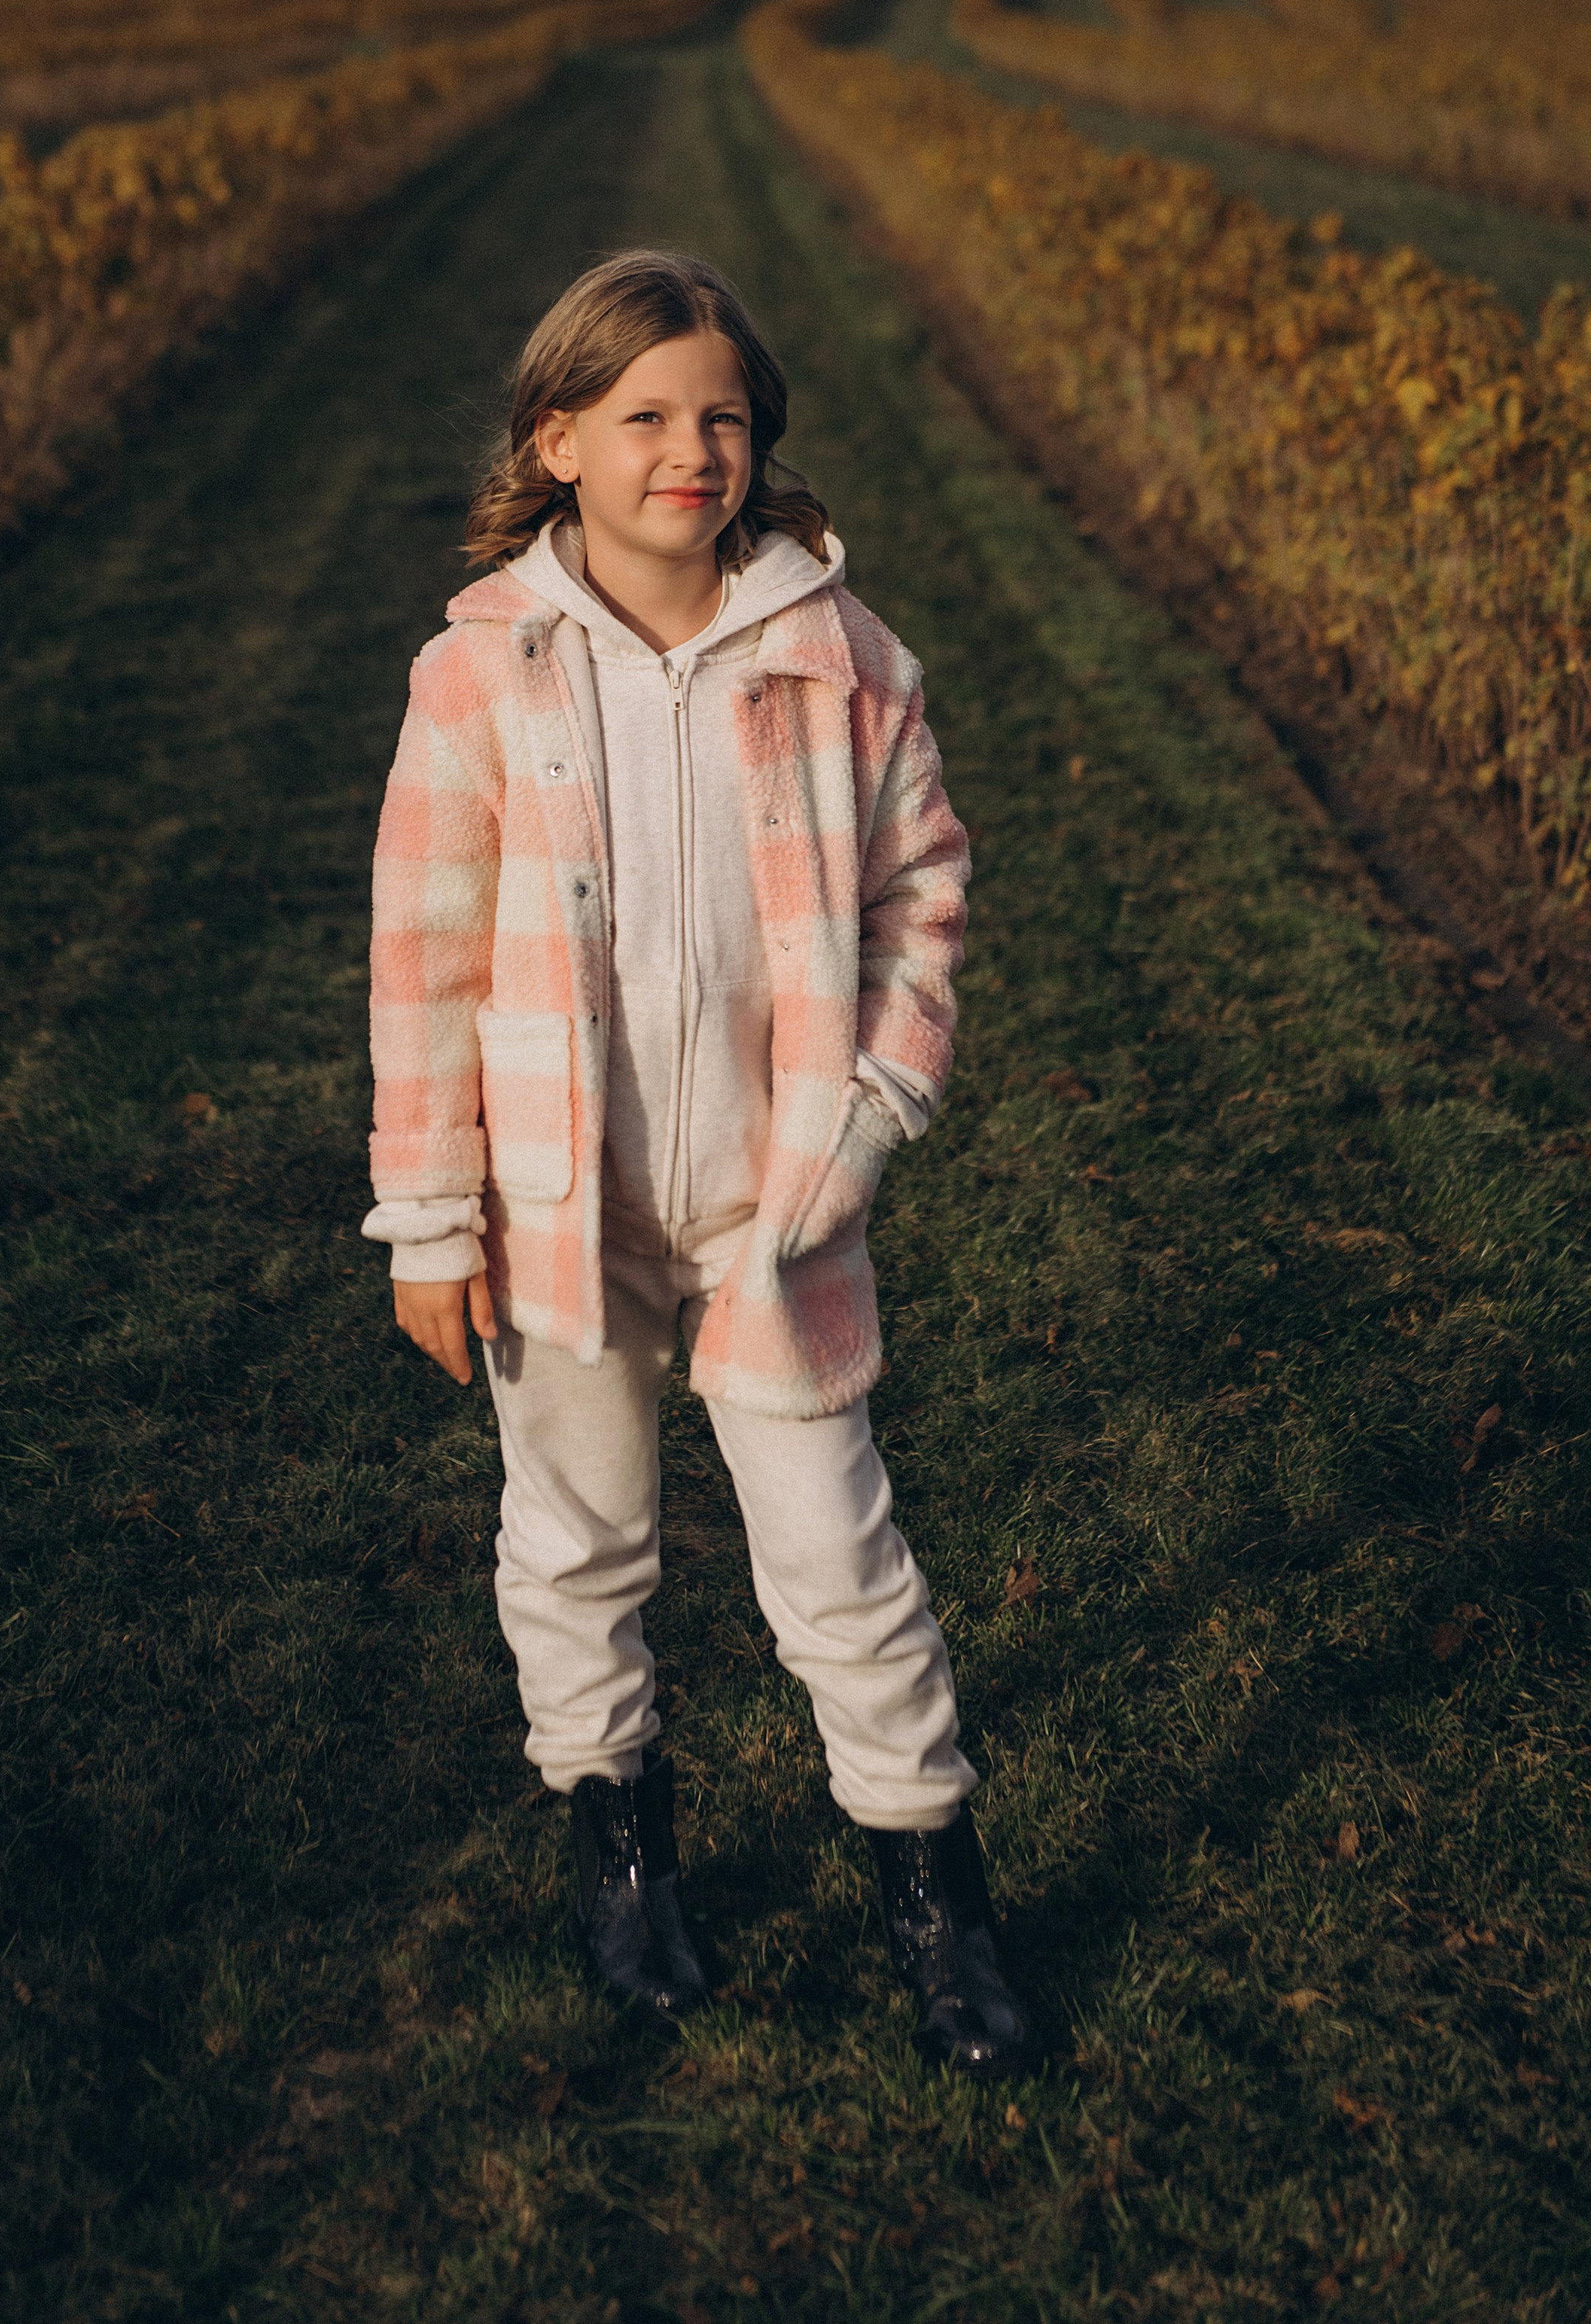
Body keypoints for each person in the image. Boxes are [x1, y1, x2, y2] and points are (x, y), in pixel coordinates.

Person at [363, 249, 1029, 2075]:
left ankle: (927, 1882)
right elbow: (419, 952)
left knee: (834, 1549)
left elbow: (925, 898)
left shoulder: (841, 658)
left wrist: (870, 1116)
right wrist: (430, 1213)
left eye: (721, 415)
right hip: (553, 1211)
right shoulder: (479, 669)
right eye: (643, 416)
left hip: (770, 1208)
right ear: (556, 438)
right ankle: (624, 1844)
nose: (689, 448)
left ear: (760, 442)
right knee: (577, 1541)